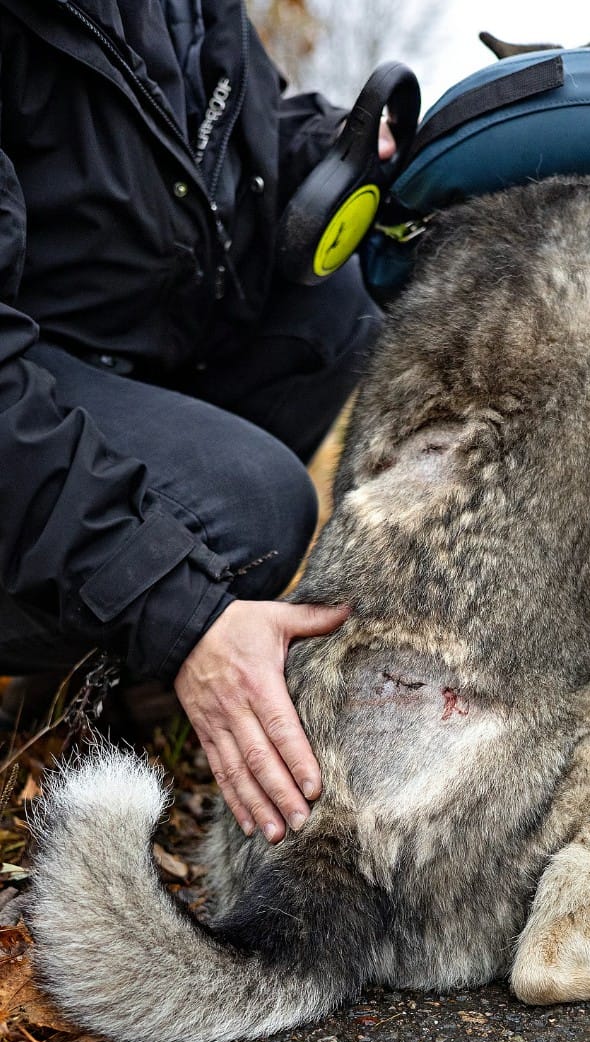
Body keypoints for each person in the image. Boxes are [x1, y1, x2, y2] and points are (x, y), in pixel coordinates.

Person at [0, 1, 394, 842]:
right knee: (250, 514)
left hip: (97, 356)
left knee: (334, 308)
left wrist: (339, 146)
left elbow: (223, 153)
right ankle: (125, 634)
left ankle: (105, 665)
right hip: (15, 391)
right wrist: (181, 608)